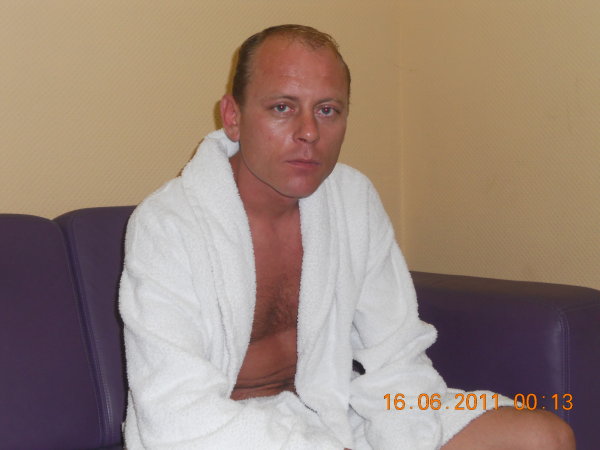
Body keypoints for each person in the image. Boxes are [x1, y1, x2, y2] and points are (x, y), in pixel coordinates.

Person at [119, 24, 575, 449]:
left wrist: (404, 437)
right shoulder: (167, 226)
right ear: (233, 117)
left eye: (328, 110)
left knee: (541, 436)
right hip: (223, 434)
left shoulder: (352, 200)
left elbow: (395, 355)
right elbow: (175, 414)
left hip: (335, 412)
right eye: (283, 108)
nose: (309, 132)